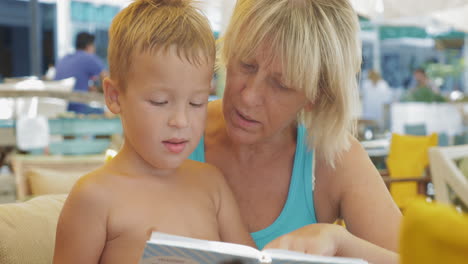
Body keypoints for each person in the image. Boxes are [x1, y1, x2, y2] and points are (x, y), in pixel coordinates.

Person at [188, 0, 401, 263]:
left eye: (280, 84)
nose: (250, 96)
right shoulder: (177, 132)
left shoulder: (331, 159)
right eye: (247, 64)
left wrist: (340, 242)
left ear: (317, 95)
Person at [53, 1, 254, 263]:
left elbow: (251, 259)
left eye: (197, 103)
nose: (181, 121)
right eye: (159, 101)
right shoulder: (94, 197)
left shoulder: (213, 185)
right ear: (115, 97)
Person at [54, 32, 107, 114]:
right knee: (106, 112)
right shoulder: (89, 57)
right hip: (78, 108)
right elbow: (106, 80)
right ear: (89, 46)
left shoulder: (64, 58)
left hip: (60, 108)